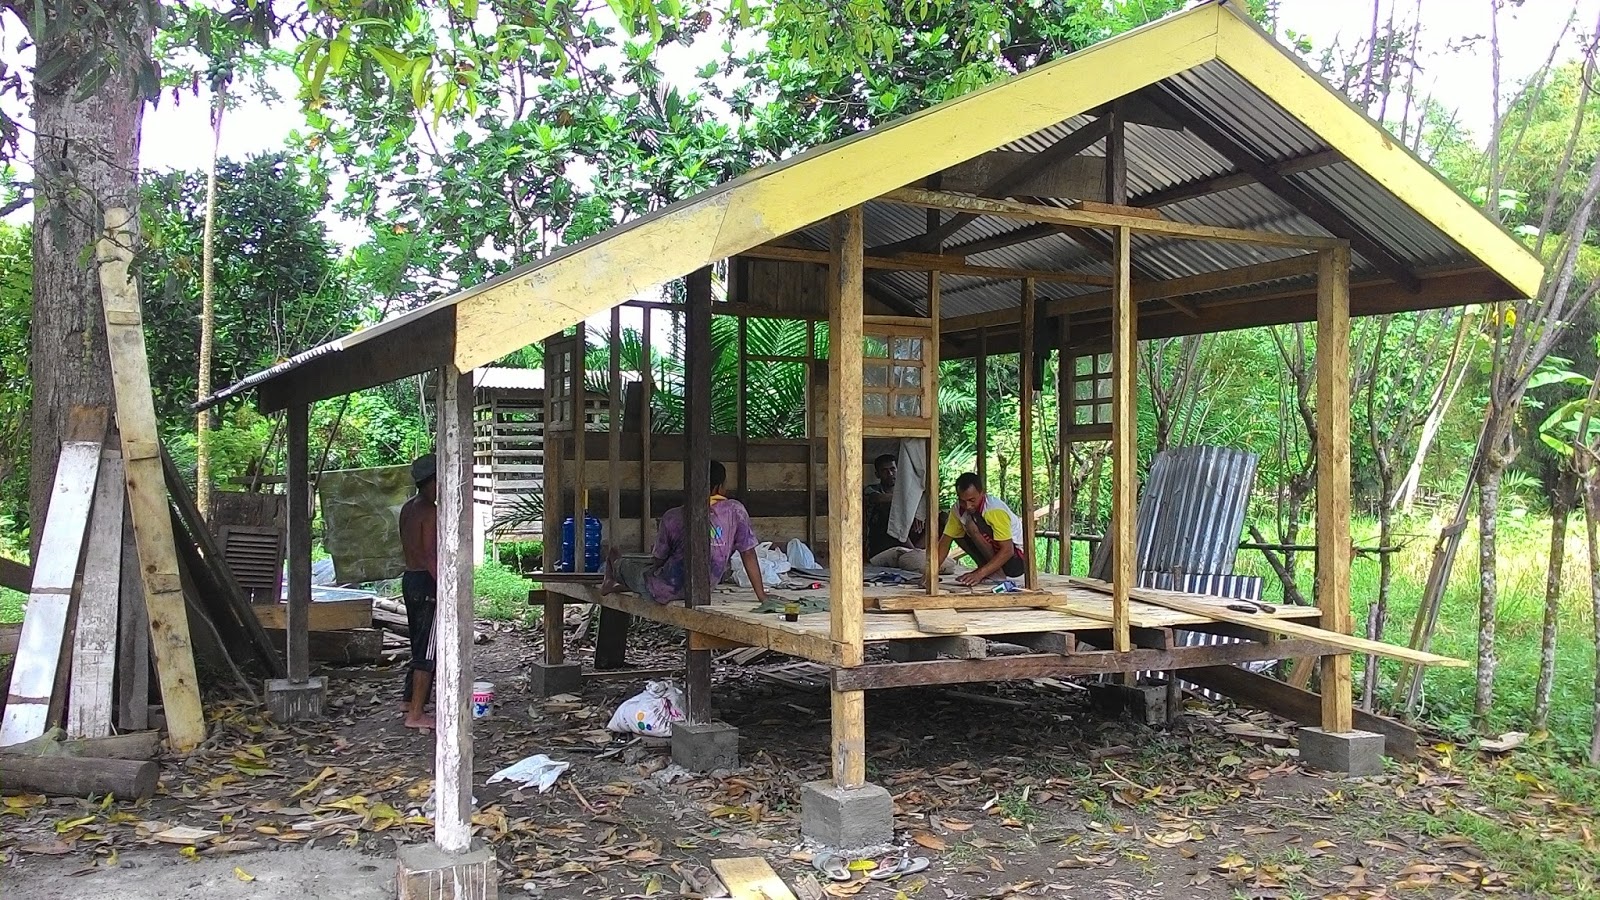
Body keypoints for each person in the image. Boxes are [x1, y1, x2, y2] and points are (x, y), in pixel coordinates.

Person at [601, 461, 770, 605]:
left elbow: (658, 560)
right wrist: (762, 596)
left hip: (666, 591)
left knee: (626, 565)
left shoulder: (673, 516)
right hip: (705, 588)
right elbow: (748, 553)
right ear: (719, 487)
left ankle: (612, 574)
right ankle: (621, 582)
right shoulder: (736, 511)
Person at [399, 454, 438, 730]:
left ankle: (408, 699)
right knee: (427, 650)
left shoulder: (408, 508)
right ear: (432, 483)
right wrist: (446, 586)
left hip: (410, 578)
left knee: (417, 641)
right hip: (427, 581)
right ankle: (415, 714)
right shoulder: (430, 511)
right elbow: (429, 555)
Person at [935, 472, 1027, 587]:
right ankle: (988, 570)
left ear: (982, 493)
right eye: (963, 501)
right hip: (996, 552)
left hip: (1016, 561)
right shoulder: (957, 509)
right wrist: (931, 574)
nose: (967, 506)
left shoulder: (994, 509)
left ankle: (995, 574)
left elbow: (1008, 550)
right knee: (955, 531)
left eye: (972, 500)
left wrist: (979, 574)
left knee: (971, 525)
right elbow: (945, 541)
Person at [864, 453, 903, 559]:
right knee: (888, 510)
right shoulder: (871, 489)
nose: (890, 473)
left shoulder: (905, 491)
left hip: (904, 536)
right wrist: (907, 500)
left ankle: (916, 550)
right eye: (884, 470)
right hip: (879, 543)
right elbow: (878, 498)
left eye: (893, 469)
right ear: (877, 474)